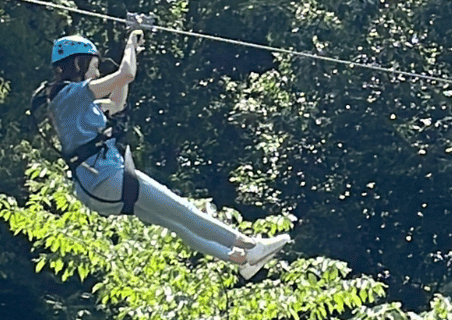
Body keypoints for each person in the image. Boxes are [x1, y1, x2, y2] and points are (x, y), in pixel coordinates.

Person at [37, 28, 289, 279]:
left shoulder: (72, 103)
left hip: (96, 188)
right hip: (106, 177)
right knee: (182, 210)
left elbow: (116, 104)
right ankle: (251, 245)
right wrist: (128, 45)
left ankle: (242, 260)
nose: (97, 73)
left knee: (176, 222)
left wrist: (133, 51)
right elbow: (125, 74)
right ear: (78, 64)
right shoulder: (70, 95)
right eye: (93, 66)